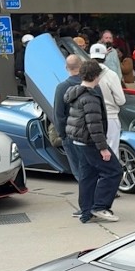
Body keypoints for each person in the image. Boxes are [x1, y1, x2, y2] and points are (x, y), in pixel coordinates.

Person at [65, 59, 122, 223]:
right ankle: (100, 206)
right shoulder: (91, 97)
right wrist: (103, 148)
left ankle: (86, 210)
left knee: (87, 175)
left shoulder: (75, 92)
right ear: (97, 76)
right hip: (90, 142)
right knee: (114, 171)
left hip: (78, 141)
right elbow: (94, 125)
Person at [52, 54, 87, 216]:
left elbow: (58, 114)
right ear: (81, 66)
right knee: (91, 169)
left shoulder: (62, 88)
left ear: (67, 68)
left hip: (71, 134)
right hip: (90, 134)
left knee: (79, 172)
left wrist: (62, 135)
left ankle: (87, 206)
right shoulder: (90, 85)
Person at [88, 44, 126, 154]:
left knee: (94, 151)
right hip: (110, 116)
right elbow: (121, 100)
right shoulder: (111, 75)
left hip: (90, 116)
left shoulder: (84, 74)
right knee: (112, 151)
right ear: (105, 56)